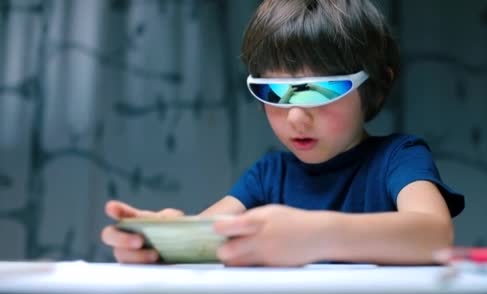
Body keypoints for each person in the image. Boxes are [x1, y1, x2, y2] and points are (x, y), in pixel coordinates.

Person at [101, 0, 465, 267]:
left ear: (376, 85)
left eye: (321, 90)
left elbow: (434, 235)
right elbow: (208, 234)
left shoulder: (399, 158)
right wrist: (159, 239)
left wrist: (314, 235)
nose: (295, 118)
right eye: (273, 92)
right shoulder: (268, 175)